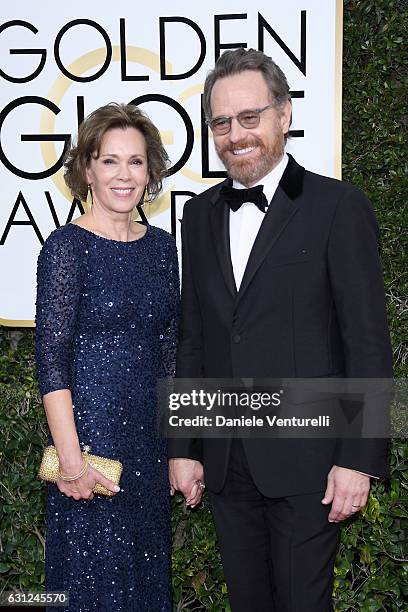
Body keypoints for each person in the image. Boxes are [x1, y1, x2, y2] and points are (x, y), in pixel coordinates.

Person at [168, 49, 393, 611]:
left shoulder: (338, 206)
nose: (236, 135)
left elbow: (367, 341)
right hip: (225, 460)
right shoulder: (198, 217)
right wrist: (184, 446)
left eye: (250, 117)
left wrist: (359, 457)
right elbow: (194, 337)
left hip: (310, 461)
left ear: (284, 115)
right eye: (222, 123)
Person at [35, 102, 178, 611]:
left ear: (150, 172)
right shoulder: (66, 248)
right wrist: (71, 461)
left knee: (144, 584)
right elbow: (51, 360)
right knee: (91, 589)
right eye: (109, 160)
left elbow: (168, 356)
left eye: (136, 161)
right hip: (91, 453)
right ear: (87, 170)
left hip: (149, 449)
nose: (124, 174)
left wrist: (179, 450)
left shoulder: (162, 249)